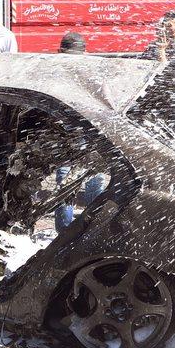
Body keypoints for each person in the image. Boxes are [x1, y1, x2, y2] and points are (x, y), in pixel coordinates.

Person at [53, 32, 106, 232]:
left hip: (88, 138)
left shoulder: (93, 74)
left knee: (90, 184)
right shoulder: (55, 74)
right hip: (67, 140)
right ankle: (66, 233)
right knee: (67, 184)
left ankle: (92, 230)